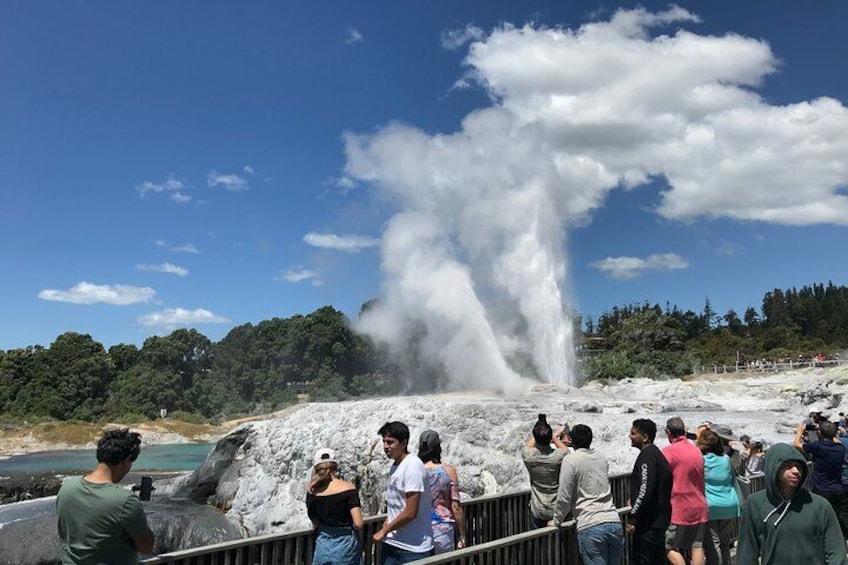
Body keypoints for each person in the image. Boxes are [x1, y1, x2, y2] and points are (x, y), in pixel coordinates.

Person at [736, 443, 848, 565]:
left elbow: (836, 552)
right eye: (788, 466)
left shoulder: (820, 505)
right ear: (773, 467)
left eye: (799, 466)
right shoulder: (755, 504)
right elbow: (747, 552)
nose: (795, 471)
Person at [56, 429, 155, 564]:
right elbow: (146, 547)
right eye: (131, 463)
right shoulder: (124, 500)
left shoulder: (67, 488)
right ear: (126, 461)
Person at [553, 424, 624, 565]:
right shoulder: (601, 457)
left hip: (590, 524)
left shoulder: (571, 460)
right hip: (614, 522)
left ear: (572, 439)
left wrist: (556, 521)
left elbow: (564, 496)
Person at [374, 421, 433, 564]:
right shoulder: (395, 465)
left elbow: (411, 512)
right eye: (384, 442)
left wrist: (384, 531)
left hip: (413, 547)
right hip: (393, 542)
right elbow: (396, 504)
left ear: (403, 443)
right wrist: (387, 527)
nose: (385, 447)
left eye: (390, 442)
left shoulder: (412, 466)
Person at [306, 448, 364, 565]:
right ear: (335, 466)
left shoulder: (313, 492)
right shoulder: (348, 488)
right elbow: (358, 523)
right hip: (345, 544)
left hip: (323, 544)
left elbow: (314, 520)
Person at [662, 417, 708, 565]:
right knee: (697, 546)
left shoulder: (669, 451)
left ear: (668, 432)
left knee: (668, 546)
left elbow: (662, 477)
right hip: (699, 506)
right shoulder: (696, 450)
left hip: (679, 507)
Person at [626, 418, 672, 565]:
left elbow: (645, 488)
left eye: (633, 433)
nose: (630, 436)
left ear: (645, 437)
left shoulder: (648, 457)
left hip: (649, 523)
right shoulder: (655, 454)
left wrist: (634, 515)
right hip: (658, 520)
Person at [794, 419, 848, 537]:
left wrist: (800, 431)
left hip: (821, 490)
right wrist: (830, 431)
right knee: (835, 519)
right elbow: (835, 440)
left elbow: (797, 444)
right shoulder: (840, 448)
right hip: (838, 490)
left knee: (820, 520)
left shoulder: (818, 447)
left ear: (820, 433)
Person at [417, 430, 467, 554]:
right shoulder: (448, 471)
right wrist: (462, 535)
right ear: (438, 447)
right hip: (443, 530)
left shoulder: (416, 471)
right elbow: (455, 507)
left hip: (419, 530)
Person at [696, 429, 740, 565]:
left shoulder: (701, 460)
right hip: (729, 504)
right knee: (725, 543)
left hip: (711, 506)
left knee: (713, 545)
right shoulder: (726, 459)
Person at [520, 414, 569, 529]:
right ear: (549, 437)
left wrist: (538, 432)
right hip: (556, 508)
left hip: (538, 508)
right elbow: (565, 450)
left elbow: (528, 446)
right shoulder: (558, 456)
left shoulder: (528, 456)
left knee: (538, 540)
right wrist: (554, 437)